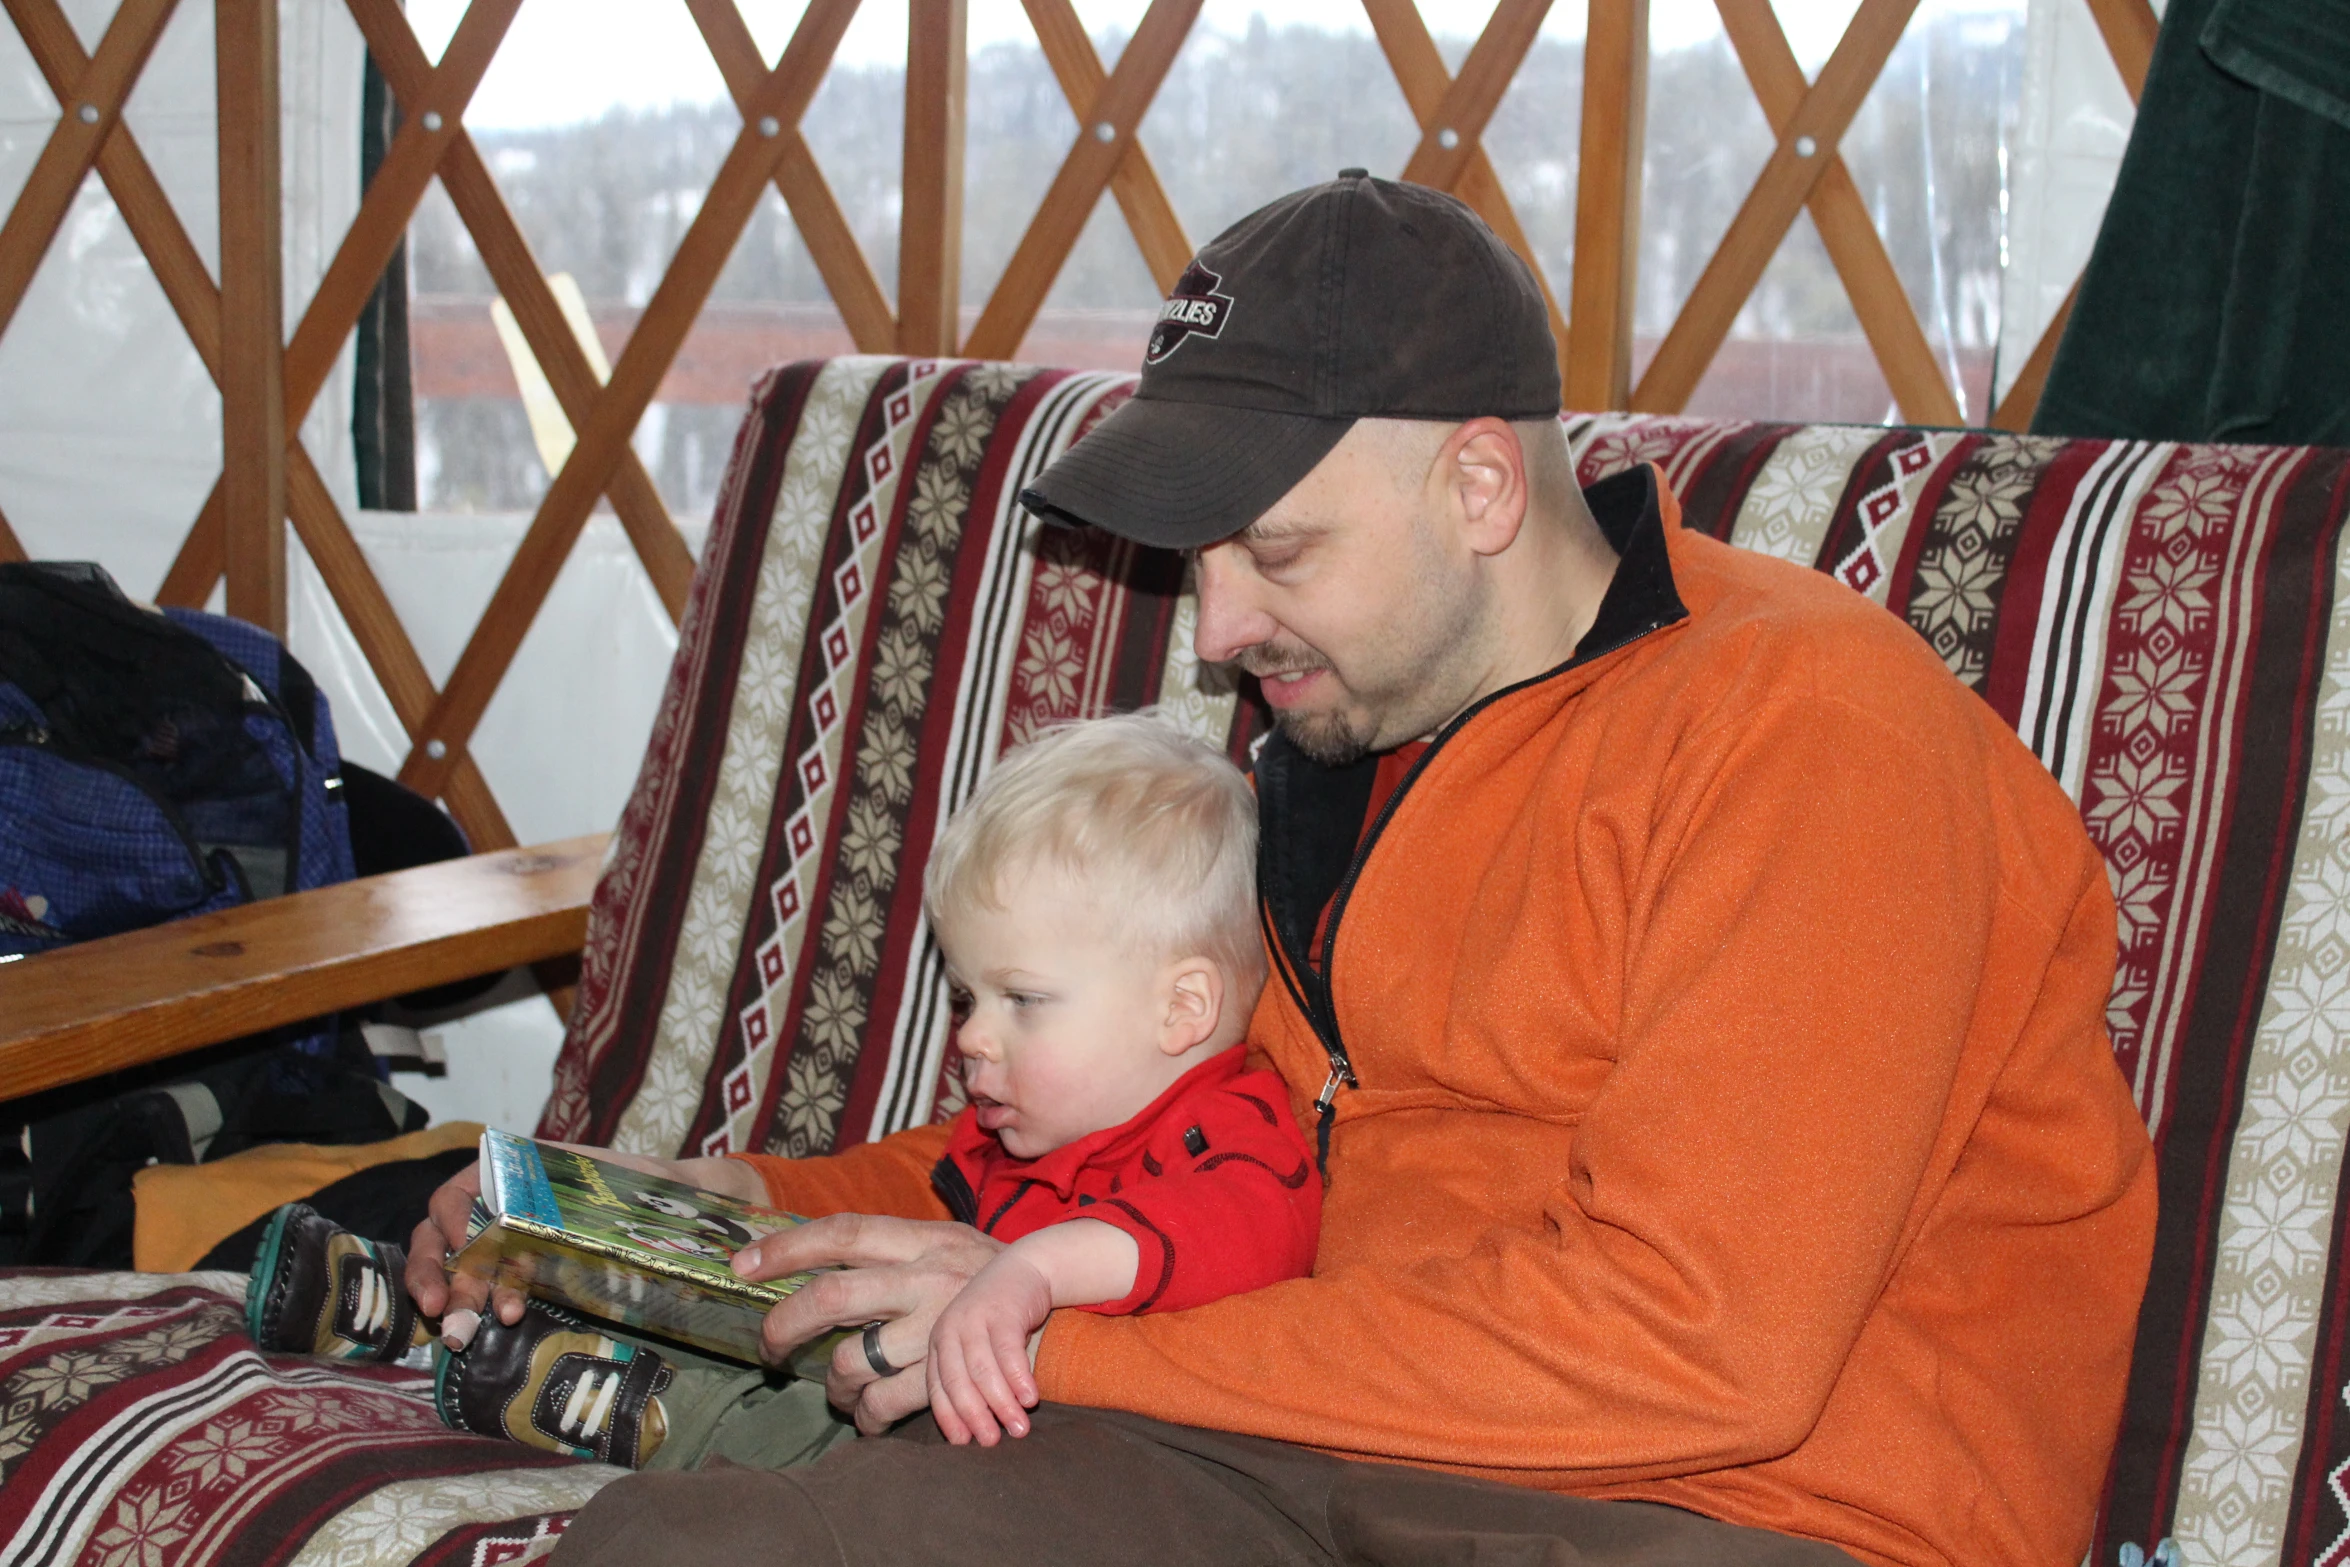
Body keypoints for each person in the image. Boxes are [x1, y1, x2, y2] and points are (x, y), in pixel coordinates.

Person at [408, 172, 2157, 1567]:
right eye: (1204, 554)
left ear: (1480, 483)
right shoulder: (1350, 735)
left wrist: (1057, 1340)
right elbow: (1150, 1136)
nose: (1219, 626)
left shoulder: (1802, 734)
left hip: (1736, 1512)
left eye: (1278, 548)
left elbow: (1702, 1346)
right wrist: (700, 1210)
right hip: (1312, 1449)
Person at [250, 712, 1315, 1465]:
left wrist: (1027, 1272)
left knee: (817, 1412)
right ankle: (422, 1304)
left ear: (1183, 1007)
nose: (973, 1037)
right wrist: (670, 1192)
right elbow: (857, 1195)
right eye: (963, 995)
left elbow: (1236, 1233)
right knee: (741, 1280)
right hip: (934, 1378)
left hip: (1075, 1453)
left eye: (1023, 1000)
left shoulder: (1239, 1128)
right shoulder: (1012, 1137)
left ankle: (592, 1389)